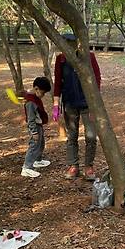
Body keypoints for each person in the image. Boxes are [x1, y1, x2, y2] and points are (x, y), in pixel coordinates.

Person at [52, 33, 101, 180]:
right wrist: (56, 104)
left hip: (88, 104)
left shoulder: (89, 56)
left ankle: (89, 167)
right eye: (67, 43)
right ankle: (73, 166)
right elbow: (58, 83)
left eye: (72, 43)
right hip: (70, 103)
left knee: (91, 136)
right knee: (72, 136)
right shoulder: (60, 59)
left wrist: (95, 103)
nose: (69, 46)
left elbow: (97, 79)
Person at [21, 77, 52, 178]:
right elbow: (30, 119)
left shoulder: (35, 99)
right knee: (34, 146)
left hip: (39, 125)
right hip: (34, 127)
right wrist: (34, 132)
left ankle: (37, 161)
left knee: (41, 143)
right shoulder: (30, 102)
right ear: (36, 88)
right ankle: (26, 168)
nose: (43, 96)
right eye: (42, 93)